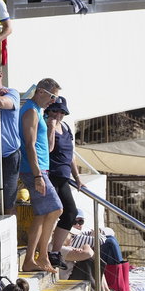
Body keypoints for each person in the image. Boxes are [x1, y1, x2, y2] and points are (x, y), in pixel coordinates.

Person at [20, 78, 63, 273]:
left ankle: (31, 259)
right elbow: (29, 145)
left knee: (42, 213)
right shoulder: (30, 110)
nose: (53, 101)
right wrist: (38, 175)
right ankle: (42, 256)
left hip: (39, 169)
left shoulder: (37, 110)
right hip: (33, 170)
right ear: (40, 91)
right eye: (52, 96)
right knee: (56, 209)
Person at [45, 95, 83, 271]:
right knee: (56, 212)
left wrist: (77, 177)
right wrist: (51, 129)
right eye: (54, 110)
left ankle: (55, 251)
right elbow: (49, 148)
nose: (57, 114)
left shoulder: (66, 127)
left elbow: (71, 155)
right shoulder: (46, 125)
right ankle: (48, 251)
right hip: (51, 175)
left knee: (70, 213)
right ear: (48, 110)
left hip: (64, 177)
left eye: (61, 111)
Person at [0, 67, 21, 213]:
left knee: (8, 202)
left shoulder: (12, 92)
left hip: (8, 155)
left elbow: (3, 103)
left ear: (0, 74)